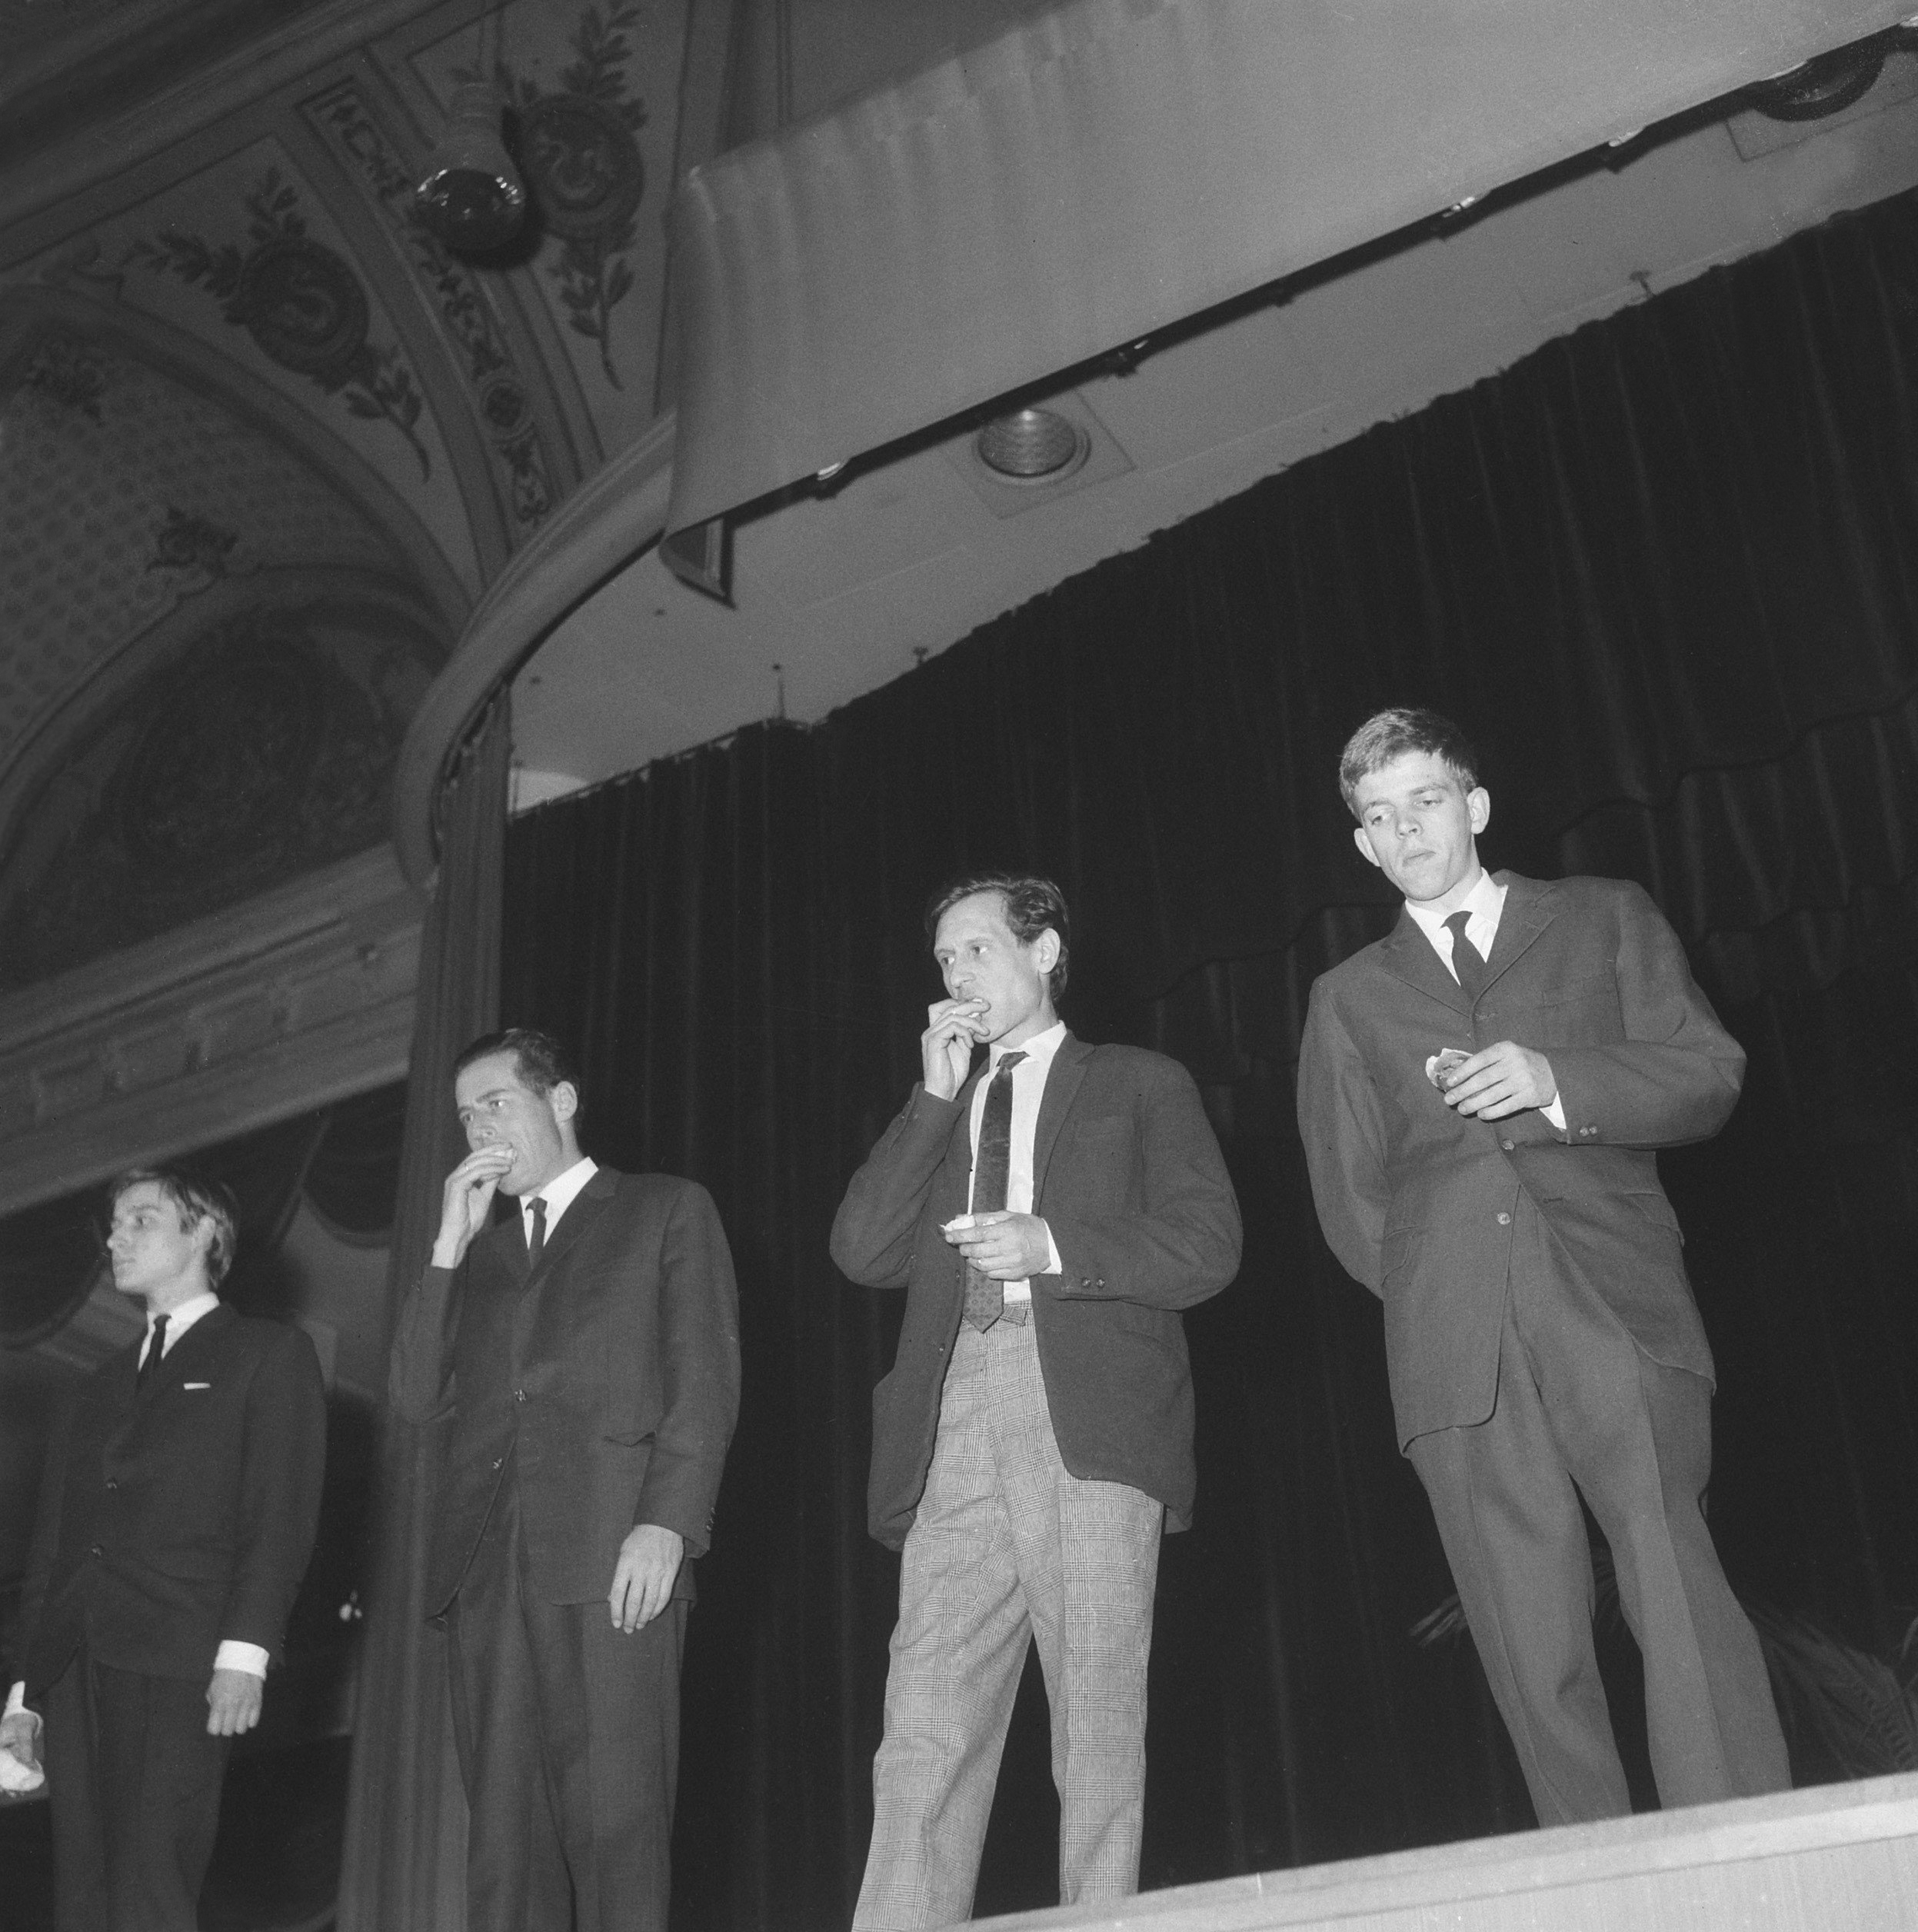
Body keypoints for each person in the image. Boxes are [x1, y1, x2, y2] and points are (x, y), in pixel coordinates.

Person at [1296, 706, 1790, 1826]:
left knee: (1670, 1568)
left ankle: (1746, 1852)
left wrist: (1554, 1081)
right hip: (1452, 1338)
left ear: (1471, 806)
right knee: (1525, 1626)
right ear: (1363, 846)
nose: (1405, 830)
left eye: (1424, 801)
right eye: (1378, 818)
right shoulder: (1346, 999)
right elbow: (1349, 1198)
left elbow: (1705, 1074)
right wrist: (1440, 1295)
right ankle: (1593, 1877)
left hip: (1610, 1293)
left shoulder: (1602, 915)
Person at [833, 873, 1241, 1929]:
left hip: (1088, 1415)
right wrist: (930, 1098)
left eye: (974, 949)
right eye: (944, 961)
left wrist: (1050, 1247)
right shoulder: (946, 1108)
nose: (954, 975)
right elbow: (862, 1248)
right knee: (922, 1719)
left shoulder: (1138, 1082)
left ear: (1046, 952)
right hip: (951, 1412)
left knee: (1096, 1709)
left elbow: (1208, 1246)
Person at [388, 1027, 741, 1932]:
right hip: (487, 1574)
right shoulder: (482, 1257)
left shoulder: (663, 1208)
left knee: (618, 1830)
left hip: (612, 1552)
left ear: (563, 1100)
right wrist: (446, 1246)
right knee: (503, 1846)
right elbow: (414, 1393)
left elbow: (703, 1382)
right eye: (465, 1117)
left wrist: (668, 1524)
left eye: (495, 1104)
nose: (479, 1131)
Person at [0, 1168, 327, 1931]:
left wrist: (243, 1654)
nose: (116, 1238)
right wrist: (23, 1695)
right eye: (113, 1226)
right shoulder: (93, 1387)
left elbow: (279, 1515)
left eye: (140, 1220)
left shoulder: (265, 1353)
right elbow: (55, 1544)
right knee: (81, 1894)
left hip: (182, 1651)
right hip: (76, 1658)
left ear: (205, 1231)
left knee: (152, 1879)